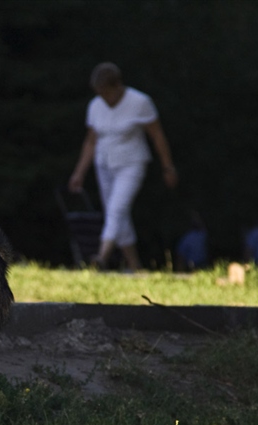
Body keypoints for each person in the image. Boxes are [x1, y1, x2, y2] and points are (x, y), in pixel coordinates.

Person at [68, 62, 178, 271]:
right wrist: (79, 173)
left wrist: (168, 167)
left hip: (132, 163)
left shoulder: (140, 102)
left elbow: (157, 136)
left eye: (106, 92)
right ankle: (135, 265)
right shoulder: (95, 106)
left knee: (117, 209)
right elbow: (91, 141)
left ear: (117, 86)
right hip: (104, 164)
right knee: (117, 213)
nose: (103, 97)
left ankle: (101, 257)